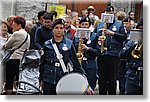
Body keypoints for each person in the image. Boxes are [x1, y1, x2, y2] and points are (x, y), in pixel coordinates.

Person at [39, 18, 86, 95]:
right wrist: (40, 79)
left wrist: (84, 78)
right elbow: (42, 63)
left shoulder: (69, 44)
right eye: (56, 28)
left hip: (63, 78)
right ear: (53, 29)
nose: (59, 30)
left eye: (61, 28)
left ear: (64, 30)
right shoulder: (47, 44)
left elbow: (76, 63)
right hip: (48, 78)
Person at [94, 5, 127, 95]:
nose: (109, 15)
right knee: (102, 79)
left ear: (114, 14)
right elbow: (94, 36)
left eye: (111, 14)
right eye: (108, 13)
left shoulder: (119, 24)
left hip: (114, 54)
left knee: (112, 79)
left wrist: (112, 33)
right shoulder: (100, 24)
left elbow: (124, 37)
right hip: (102, 54)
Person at [2, 16, 30, 95]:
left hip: (13, 59)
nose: (12, 26)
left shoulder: (17, 33)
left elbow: (7, 46)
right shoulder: (28, 35)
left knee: (9, 80)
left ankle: (8, 96)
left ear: (19, 25)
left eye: (14, 24)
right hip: (22, 60)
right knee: (19, 79)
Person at [73, 16, 100, 91]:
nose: (84, 26)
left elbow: (98, 52)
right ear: (80, 25)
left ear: (89, 25)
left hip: (90, 64)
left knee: (90, 86)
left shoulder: (94, 36)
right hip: (79, 64)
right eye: (83, 24)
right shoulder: (76, 36)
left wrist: (88, 48)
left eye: (86, 24)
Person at [119, 18, 143, 95]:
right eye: (140, 30)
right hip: (132, 76)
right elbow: (121, 55)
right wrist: (133, 45)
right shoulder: (132, 41)